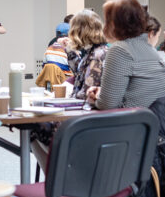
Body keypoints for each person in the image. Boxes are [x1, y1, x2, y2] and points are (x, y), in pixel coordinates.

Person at [32, 9, 109, 168]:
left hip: (85, 117)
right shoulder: (93, 52)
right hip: (81, 111)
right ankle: (58, 173)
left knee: (36, 128)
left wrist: (64, 100)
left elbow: (86, 92)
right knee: (35, 128)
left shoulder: (99, 55)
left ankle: (60, 174)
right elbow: (79, 75)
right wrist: (70, 52)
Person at [88, 0, 165, 110]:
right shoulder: (150, 49)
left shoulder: (120, 50)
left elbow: (108, 105)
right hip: (154, 121)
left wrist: (94, 100)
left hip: (131, 123)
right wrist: (104, 94)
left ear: (114, 23)